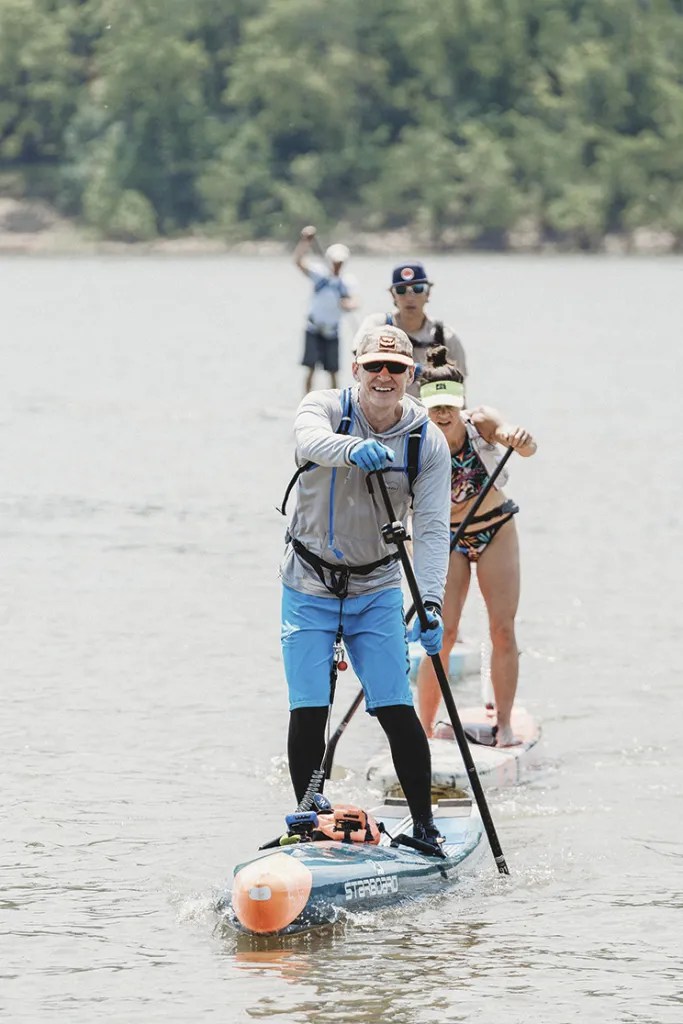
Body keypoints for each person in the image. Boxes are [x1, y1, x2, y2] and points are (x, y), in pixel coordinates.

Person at [279, 324, 452, 849]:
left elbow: (432, 528)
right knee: (309, 705)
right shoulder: (324, 407)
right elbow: (308, 440)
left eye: (395, 368)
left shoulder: (426, 440)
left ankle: (424, 829)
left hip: (375, 588)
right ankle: (308, 818)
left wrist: (429, 600)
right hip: (308, 582)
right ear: (354, 368)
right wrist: (353, 450)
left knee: (395, 708)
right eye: (373, 365)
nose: (383, 376)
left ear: (411, 376)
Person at [416, 346, 537, 747]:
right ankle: (423, 730)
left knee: (501, 629)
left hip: (494, 529)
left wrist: (518, 440)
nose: (443, 414)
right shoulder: (415, 437)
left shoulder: (480, 421)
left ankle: (502, 724)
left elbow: (517, 442)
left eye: (450, 404)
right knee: (441, 634)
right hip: (445, 538)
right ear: (423, 405)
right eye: (435, 406)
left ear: (461, 401)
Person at [352, 261, 467, 398]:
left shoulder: (446, 336)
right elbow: (359, 355)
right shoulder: (377, 325)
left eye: (418, 289)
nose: (409, 297)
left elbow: (460, 385)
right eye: (401, 290)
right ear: (393, 295)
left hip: (431, 410)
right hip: (383, 406)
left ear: (428, 293)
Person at [293, 225, 358, 394]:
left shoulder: (346, 282)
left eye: (340, 262)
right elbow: (298, 262)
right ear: (330, 260)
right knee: (310, 368)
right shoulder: (320, 275)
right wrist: (305, 241)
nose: (337, 265)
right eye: (335, 262)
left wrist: (348, 305)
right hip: (314, 328)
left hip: (332, 332)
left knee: (333, 371)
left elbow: (354, 301)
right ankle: (305, 402)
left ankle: (336, 404)